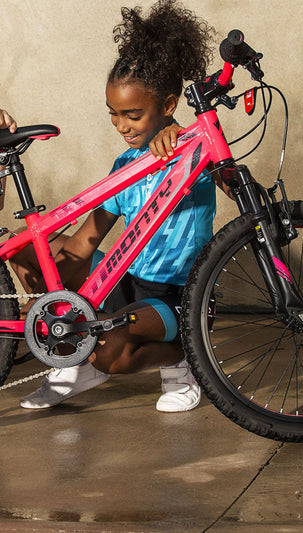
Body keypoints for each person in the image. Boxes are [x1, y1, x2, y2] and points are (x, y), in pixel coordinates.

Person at [7, 0, 226, 412]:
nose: (121, 125)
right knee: (27, 248)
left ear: (168, 105)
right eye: (113, 114)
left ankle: (182, 359)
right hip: (128, 283)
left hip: (181, 296)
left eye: (133, 114)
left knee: (109, 352)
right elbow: (87, 240)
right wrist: (52, 299)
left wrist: (184, 136)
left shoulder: (194, 152)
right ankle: (74, 359)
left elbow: (231, 182)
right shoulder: (126, 165)